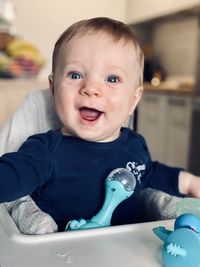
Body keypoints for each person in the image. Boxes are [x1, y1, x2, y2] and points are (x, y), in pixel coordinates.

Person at [0, 17, 200, 233]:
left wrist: (189, 182)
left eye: (112, 79)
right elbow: (13, 176)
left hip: (128, 250)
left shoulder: (134, 144)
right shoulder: (45, 149)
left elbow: (152, 173)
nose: (91, 88)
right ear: (54, 88)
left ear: (134, 99)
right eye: (75, 75)